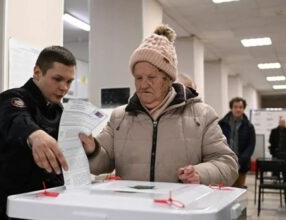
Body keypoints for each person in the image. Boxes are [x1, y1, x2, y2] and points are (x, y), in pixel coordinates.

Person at [79, 25, 238, 186]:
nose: (143, 84)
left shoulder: (202, 116)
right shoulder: (120, 117)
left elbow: (227, 164)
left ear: (167, 79)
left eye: (151, 77)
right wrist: (93, 149)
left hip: (179, 208)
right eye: (138, 78)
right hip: (132, 208)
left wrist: (201, 173)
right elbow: (103, 162)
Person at [0, 46, 76, 220]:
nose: (64, 88)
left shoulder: (57, 112)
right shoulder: (10, 100)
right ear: (37, 72)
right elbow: (16, 120)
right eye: (57, 79)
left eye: (69, 81)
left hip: (32, 207)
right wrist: (35, 134)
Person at [219, 97, 256, 188]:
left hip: (242, 165)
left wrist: (240, 161)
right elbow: (217, 141)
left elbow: (251, 146)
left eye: (240, 107)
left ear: (243, 109)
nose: (238, 109)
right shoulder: (221, 124)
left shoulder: (249, 126)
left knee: (238, 191)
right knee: (224, 192)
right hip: (224, 163)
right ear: (231, 108)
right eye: (235, 107)